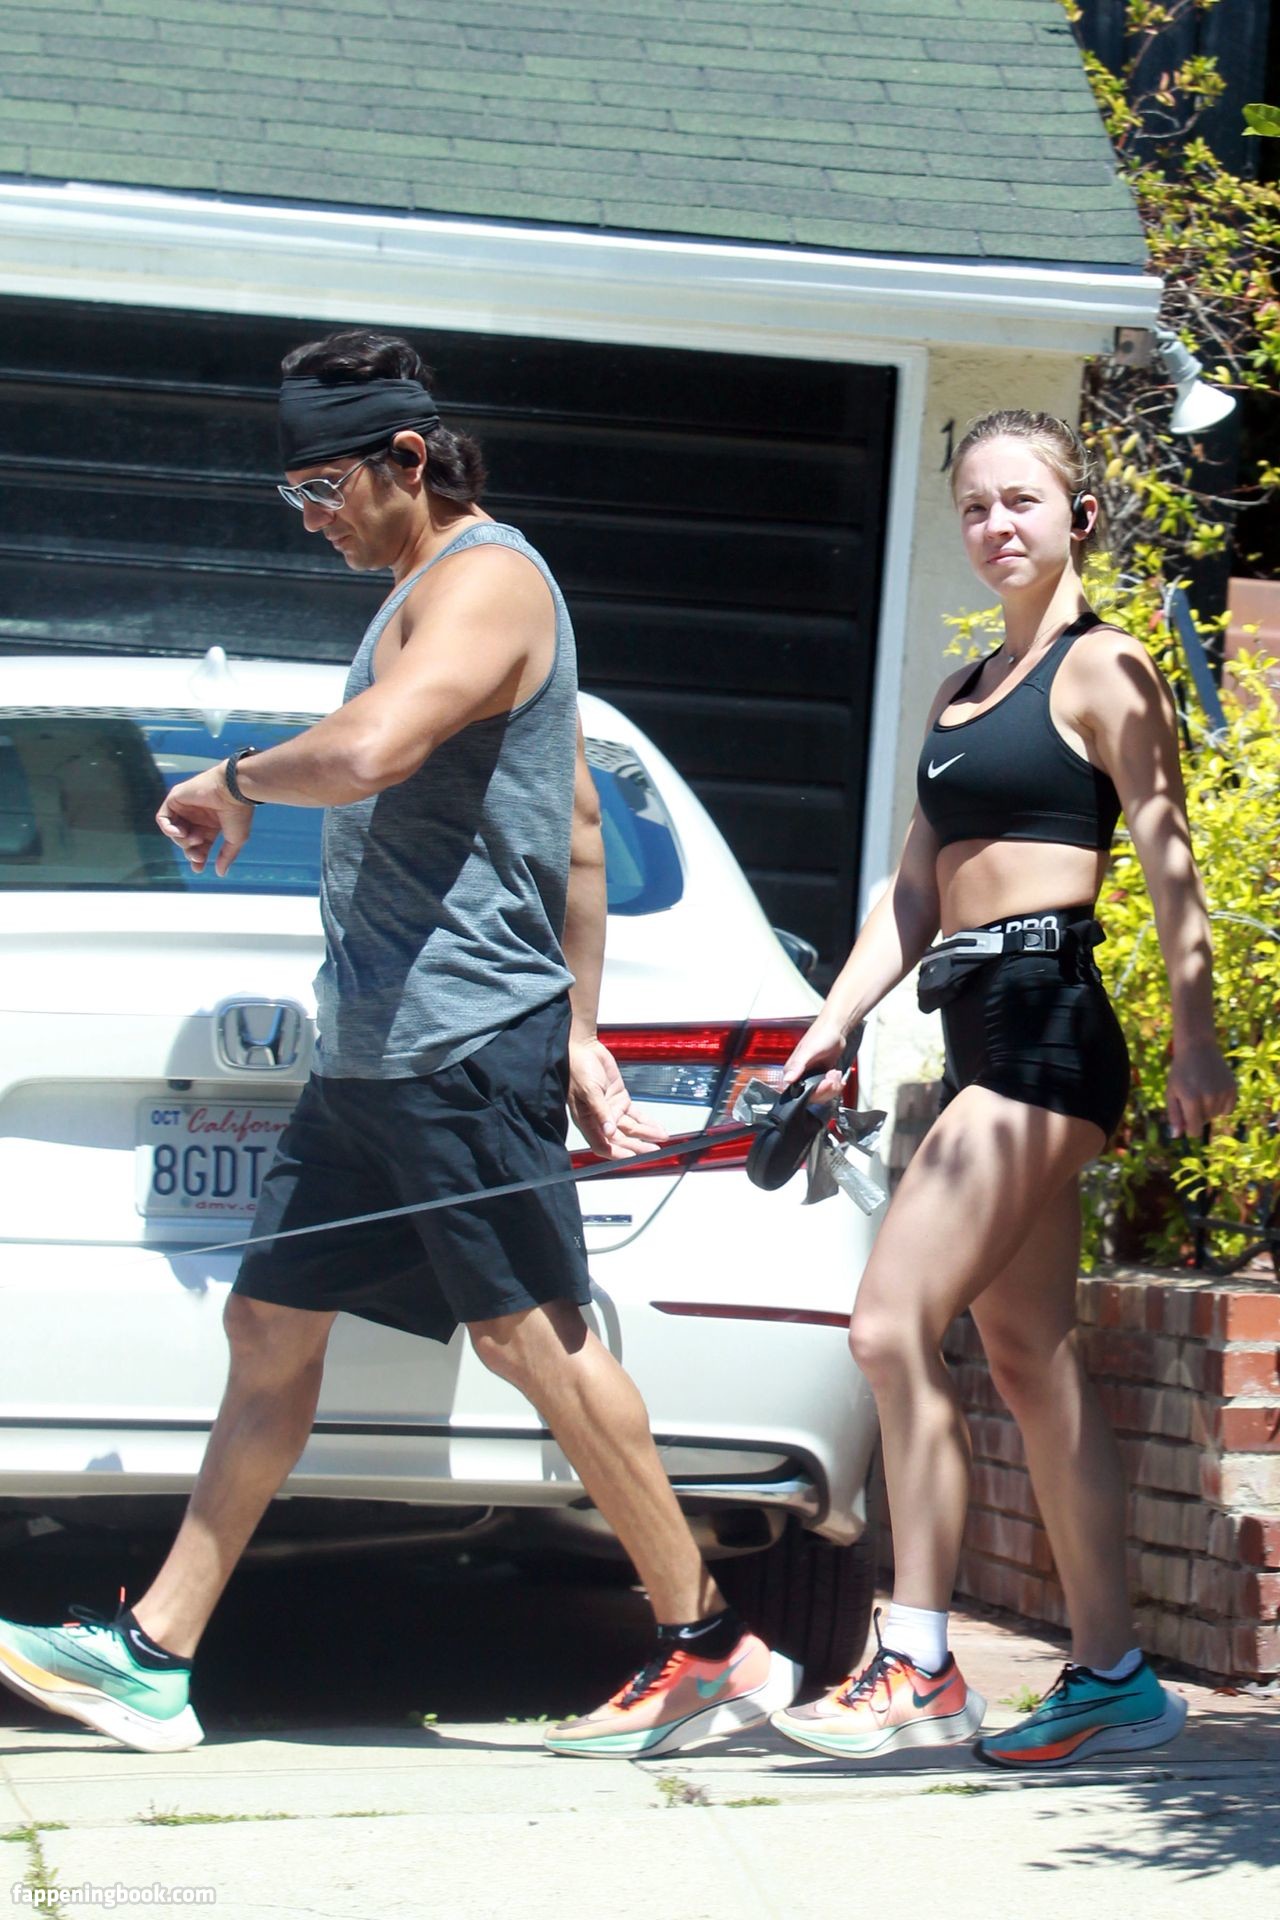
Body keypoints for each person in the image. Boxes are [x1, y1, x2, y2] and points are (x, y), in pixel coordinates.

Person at [0, 330, 794, 1759]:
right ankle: (155, 1657)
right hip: (375, 1049)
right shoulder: (419, 596)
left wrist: (235, 778)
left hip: (455, 1038)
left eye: (323, 489)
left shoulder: (489, 582)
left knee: (532, 1336)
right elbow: (578, 824)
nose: (311, 521)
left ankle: (706, 1647)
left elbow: (374, 751)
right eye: (293, 496)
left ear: (408, 459)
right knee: (268, 1324)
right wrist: (581, 1026)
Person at [771, 410, 1236, 1770]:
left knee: (886, 1327)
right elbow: (912, 893)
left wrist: (1196, 1036)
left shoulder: (1108, 667)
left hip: (1047, 1027)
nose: (996, 526)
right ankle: (1115, 1679)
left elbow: (1168, 857)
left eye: (1022, 500)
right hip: (974, 1023)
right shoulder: (962, 692)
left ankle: (917, 1658)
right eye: (975, 505)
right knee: (1030, 1358)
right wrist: (831, 1022)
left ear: (1076, 515)